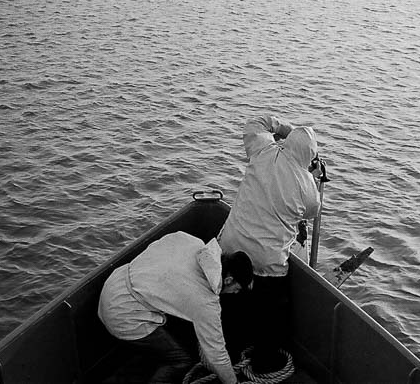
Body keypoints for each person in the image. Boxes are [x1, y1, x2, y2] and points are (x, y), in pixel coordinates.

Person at [218, 115, 323, 373]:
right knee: (272, 312)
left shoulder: (263, 151)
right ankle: (265, 360)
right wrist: (313, 176)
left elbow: (256, 123)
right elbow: (311, 212)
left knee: (230, 303)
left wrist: (283, 129)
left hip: (230, 246)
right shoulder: (308, 190)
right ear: (309, 157)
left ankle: (228, 351)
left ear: (286, 143)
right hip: (267, 262)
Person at [98, 231, 253, 384]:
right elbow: (216, 354)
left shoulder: (190, 240)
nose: (235, 293)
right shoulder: (205, 302)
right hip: (123, 314)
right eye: (237, 289)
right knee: (181, 361)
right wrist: (233, 382)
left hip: (113, 284)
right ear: (228, 280)